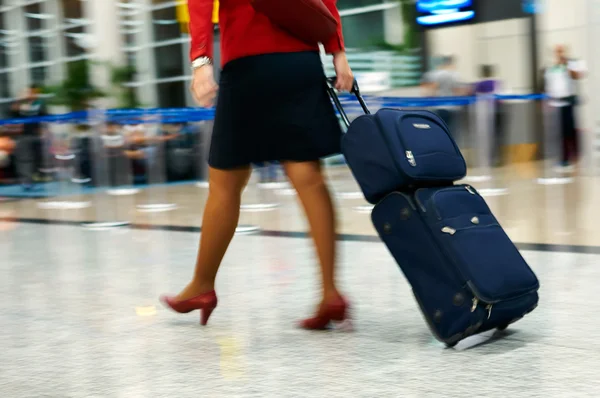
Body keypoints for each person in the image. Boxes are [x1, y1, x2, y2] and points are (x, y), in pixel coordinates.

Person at [160, 0, 354, 330]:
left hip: (248, 64)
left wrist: (201, 62)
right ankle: (330, 292)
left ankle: (202, 285)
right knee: (309, 177)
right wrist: (338, 54)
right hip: (300, 62)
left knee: (225, 184)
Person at [544, 44, 586, 169]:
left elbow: (577, 76)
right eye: (557, 51)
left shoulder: (572, 63)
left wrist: (566, 65)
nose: (559, 54)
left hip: (568, 103)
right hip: (555, 104)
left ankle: (574, 155)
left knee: (570, 130)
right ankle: (563, 159)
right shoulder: (551, 68)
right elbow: (548, 85)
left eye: (561, 51)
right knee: (560, 132)